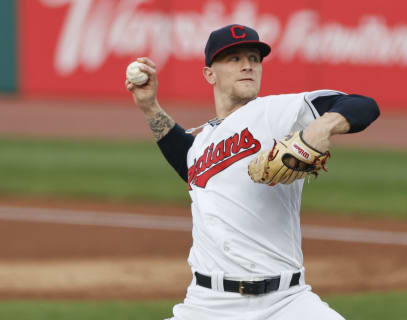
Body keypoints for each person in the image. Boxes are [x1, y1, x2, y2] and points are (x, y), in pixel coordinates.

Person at [126, 24, 379, 320]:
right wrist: (149, 106)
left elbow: (362, 105)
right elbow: (191, 167)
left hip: (286, 302)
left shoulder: (277, 111)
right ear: (210, 74)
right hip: (207, 305)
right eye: (233, 59)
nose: (247, 65)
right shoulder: (204, 140)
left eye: (254, 58)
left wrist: (321, 128)